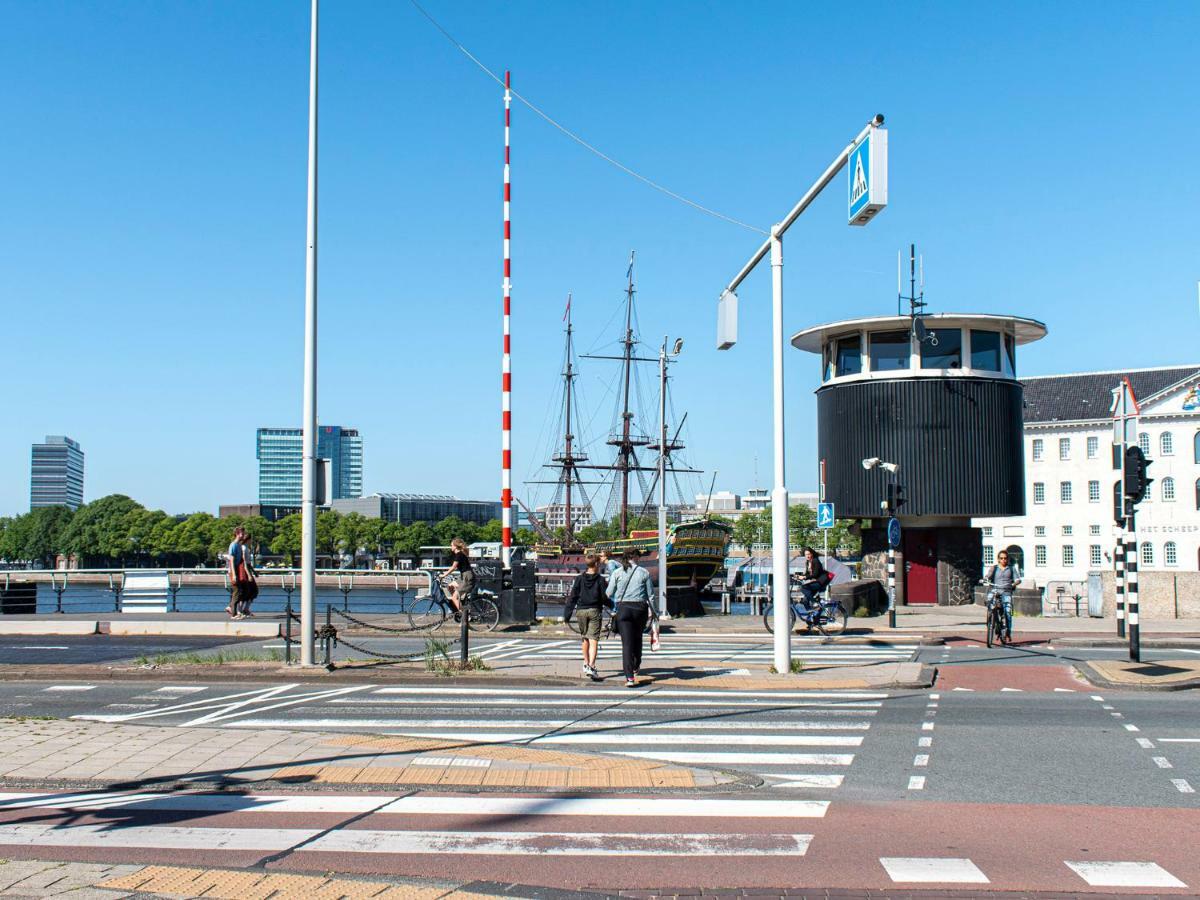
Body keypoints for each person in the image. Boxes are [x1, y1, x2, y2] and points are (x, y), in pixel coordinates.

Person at [607, 549, 656, 687]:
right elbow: (650, 595)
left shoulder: (617, 573)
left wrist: (614, 603)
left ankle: (629, 677)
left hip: (623, 609)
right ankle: (636, 665)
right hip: (640, 609)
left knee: (627, 644)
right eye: (639, 557)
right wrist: (655, 612)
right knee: (638, 638)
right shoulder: (644, 572)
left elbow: (609, 592)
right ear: (635, 557)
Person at [564, 553, 611, 681]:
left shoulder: (579, 579)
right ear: (596, 564)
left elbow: (573, 596)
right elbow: (604, 597)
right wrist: (613, 606)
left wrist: (567, 614)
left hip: (581, 611)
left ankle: (585, 663)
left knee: (585, 638)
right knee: (594, 639)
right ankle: (592, 666)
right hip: (594, 610)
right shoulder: (601, 580)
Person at [985, 550, 1021, 641]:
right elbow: (988, 576)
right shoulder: (994, 568)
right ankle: (990, 622)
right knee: (989, 604)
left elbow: (1017, 579)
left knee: (1007, 612)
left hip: (1006, 592)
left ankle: (1008, 631)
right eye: (1001, 558)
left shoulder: (1011, 568)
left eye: (1005, 558)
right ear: (998, 559)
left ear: (1007, 559)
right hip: (994, 591)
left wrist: (1014, 584)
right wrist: (985, 579)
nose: (1003, 560)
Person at [225, 526, 257, 619]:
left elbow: (241, 561)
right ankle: (234, 613)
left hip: (238, 571)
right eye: (242, 533)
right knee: (237, 591)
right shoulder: (233, 545)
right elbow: (231, 560)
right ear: (237, 534)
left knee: (242, 591)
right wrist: (234, 574)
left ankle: (235, 611)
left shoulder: (239, 545)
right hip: (234, 571)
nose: (243, 535)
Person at [444, 537, 474, 620]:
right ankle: (460, 603)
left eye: (451, 545)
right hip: (463, 576)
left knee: (454, 597)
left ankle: (465, 616)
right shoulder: (459, 554)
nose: (451, 547)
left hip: (467, 577)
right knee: (450, 586)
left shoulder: (459, 555)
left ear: (455, 546)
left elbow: (453, 567)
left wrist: (444, 575)